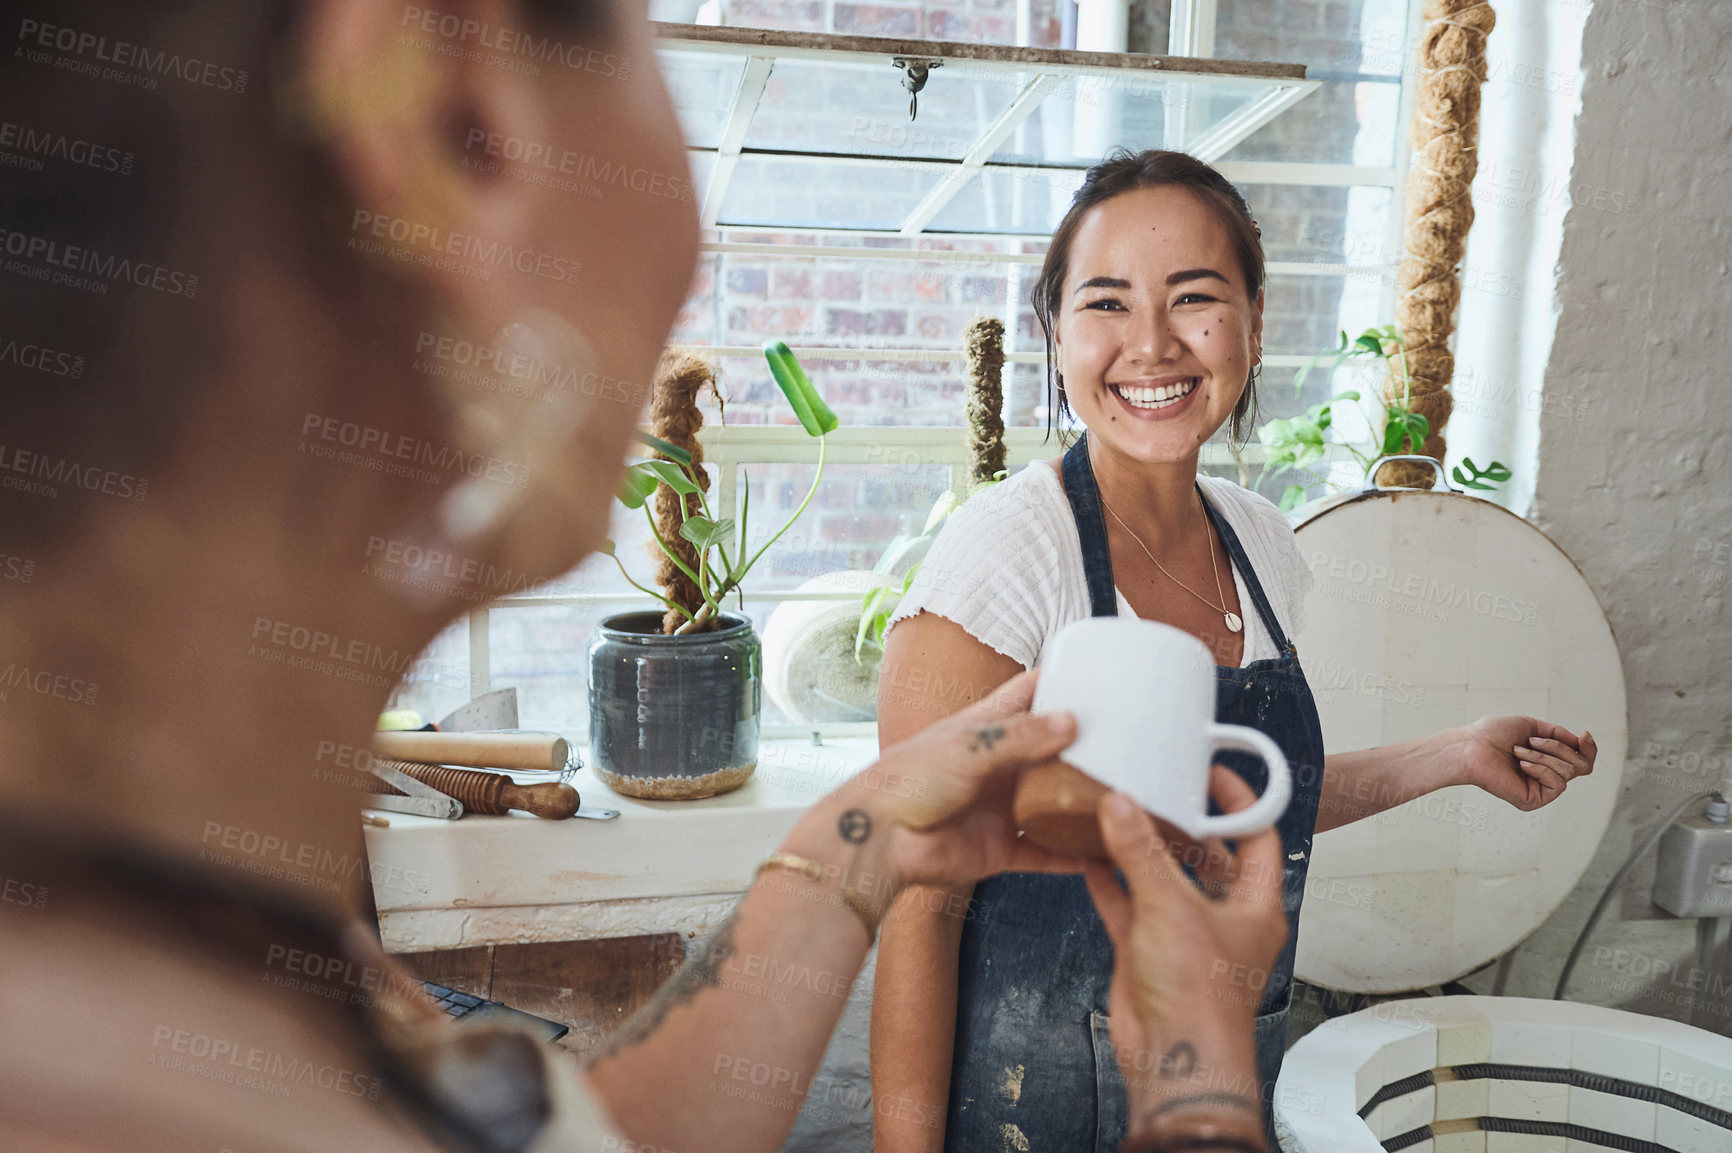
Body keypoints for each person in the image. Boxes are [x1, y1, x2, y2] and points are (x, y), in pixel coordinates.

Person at [0, 4, 1293, 1153]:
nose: (1153, 343)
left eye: (1196, 297)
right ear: (460, 113)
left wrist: (853, 849)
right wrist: (1195, 1072)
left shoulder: (183, 958)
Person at [870, 148, 1601, 1153]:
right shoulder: (1008, 555)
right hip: (1029, 1116)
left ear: (1253, 323)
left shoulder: (1259, 543)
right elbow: (918, 905)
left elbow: (1249, 798)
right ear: (1056, 333)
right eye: (1107, 303)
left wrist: (1453, 754)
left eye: (1194, 298)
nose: (1153, 344)